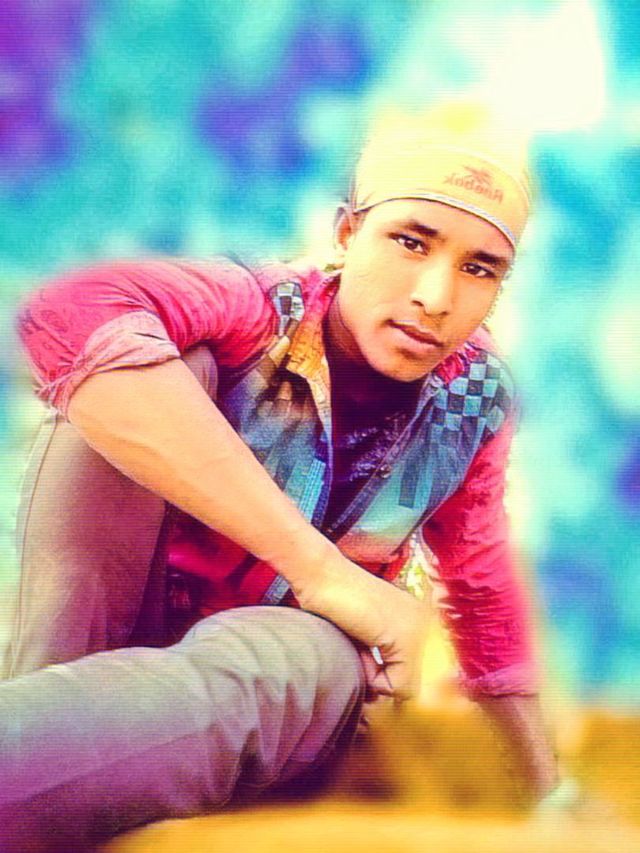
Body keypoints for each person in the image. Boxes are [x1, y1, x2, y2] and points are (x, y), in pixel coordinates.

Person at [1, 102, 558, 851]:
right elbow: (63, 314)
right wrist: (321, 568)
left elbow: (480, 580)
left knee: (303, 653)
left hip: (291, 668)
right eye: (409, 242)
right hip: (102, 636)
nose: (435, 297)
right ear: (346, 233)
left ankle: (48, 767)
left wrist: (549, 789)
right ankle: (52, 747)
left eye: (478, 268)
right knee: (148, 360)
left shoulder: (474, 401)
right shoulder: (259, 308)